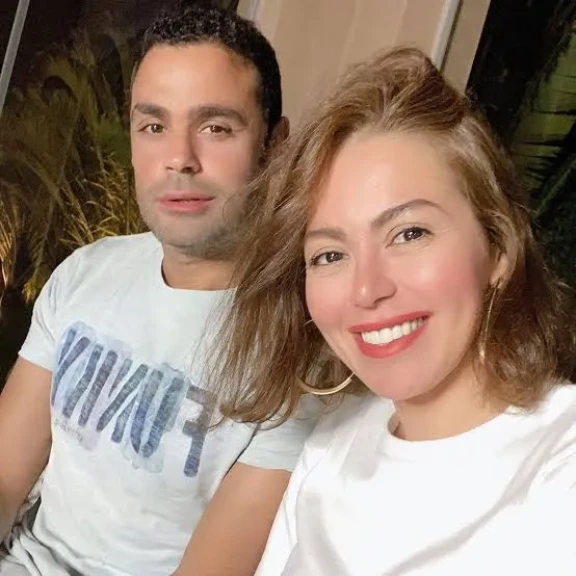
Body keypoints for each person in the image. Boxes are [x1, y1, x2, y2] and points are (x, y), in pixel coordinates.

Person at [212, 47, 576, 575]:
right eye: (330, 255)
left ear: (498, 248)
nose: (367, 289)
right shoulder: (330, 447)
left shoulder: (560, 466)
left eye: (409, 233)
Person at [0, 4, 316, 576]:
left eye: (215, 127)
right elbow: (4, 474)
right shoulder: (89, 271)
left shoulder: (295, 352)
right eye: (153, 126)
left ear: (275, 145)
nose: (178, 159)